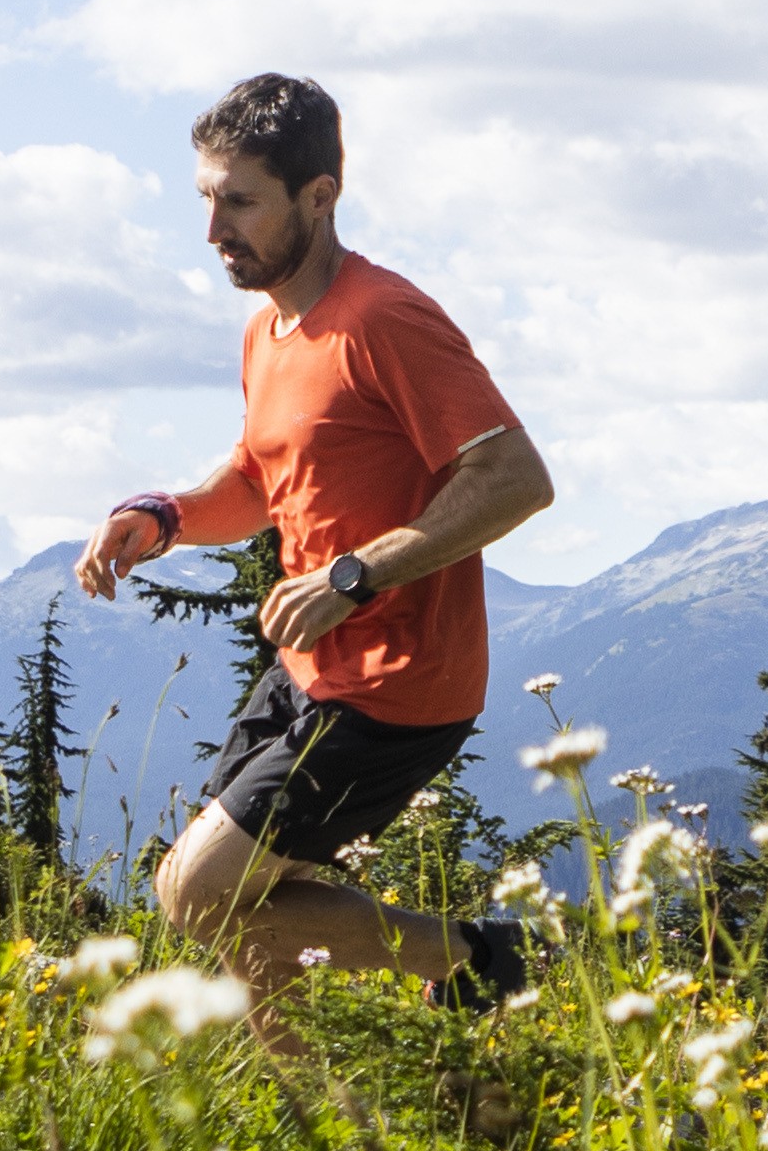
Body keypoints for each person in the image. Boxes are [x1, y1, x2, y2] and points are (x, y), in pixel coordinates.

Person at [77, 74, 551, 1021]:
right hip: (310, 672)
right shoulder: (268, 330)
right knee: (237, 915)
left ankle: (478, 955)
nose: (215, 230)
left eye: (240, 201)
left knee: (192, 890)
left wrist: (356, 574)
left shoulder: (385, 318)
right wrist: (163, 516)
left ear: (319, 195)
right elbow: (262, 478)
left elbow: (515, 477)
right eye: (207, 198)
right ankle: (331, 1133)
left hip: (397, 688)